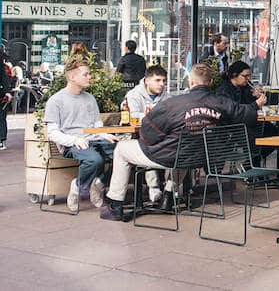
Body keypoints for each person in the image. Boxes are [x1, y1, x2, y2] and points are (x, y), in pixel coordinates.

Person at [100, 63, 258, 221]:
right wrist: (256, 104)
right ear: (210, 82)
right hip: (200, 157)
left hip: (171, 156)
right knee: (183, 151)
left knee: (121, 149)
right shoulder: (221, 102)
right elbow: (245, 114)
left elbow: (148, 130)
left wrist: (155, 143)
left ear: (191, 82)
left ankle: (116, 205)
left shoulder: (174, 103)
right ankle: (168, 196)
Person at [45, 58, 119, 211]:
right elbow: (52, 133)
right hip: (71, 144)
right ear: (72, 77)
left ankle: (98, 183)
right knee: (95, 160)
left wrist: (105, 135)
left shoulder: (90, 98)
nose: (90, 77)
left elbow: (97, 124)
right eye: (86, 74)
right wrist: (74, 140)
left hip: (94, 139)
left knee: (122, 153)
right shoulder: (56, 100)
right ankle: (78, 186)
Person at [124, 64, 171, 203]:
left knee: (176, 146)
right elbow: (133, 116)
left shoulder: (166, 96)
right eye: (157, 80)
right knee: (146, 143)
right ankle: (154, 187)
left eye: (164, 81)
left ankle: (170, 189)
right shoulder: (133, 95)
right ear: (146, 80)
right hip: (137, 136)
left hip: (162, 135)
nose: (162, 84)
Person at [0, 54, 12, 150]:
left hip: (1, 95)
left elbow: (5, 79)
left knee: (1, 117)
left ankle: (1, 139)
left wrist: (7, 92)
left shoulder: (4, 68)